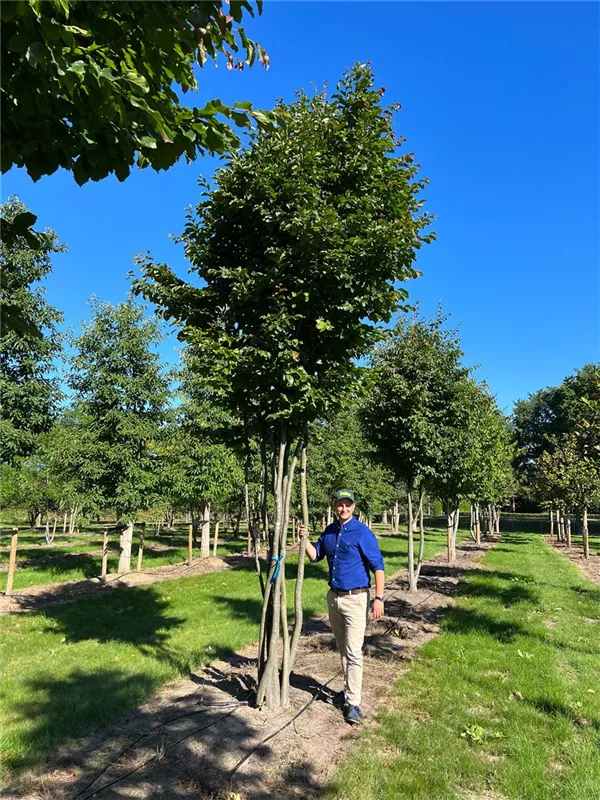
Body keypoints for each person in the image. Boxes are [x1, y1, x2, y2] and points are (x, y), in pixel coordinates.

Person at [299, 489, 385, 725]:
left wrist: (379, 598)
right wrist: (304, 539)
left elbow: (378, 566)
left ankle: (354, 703)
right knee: (343, 648)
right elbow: (315, 556)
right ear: (335, 506)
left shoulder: (362, 533)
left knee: (354, 651)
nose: (343, 509)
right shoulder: (330, 531)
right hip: (334, 598)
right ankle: (347, 691)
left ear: (353, 507)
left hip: (356, 599)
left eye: (348, 505)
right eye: (340, 505)